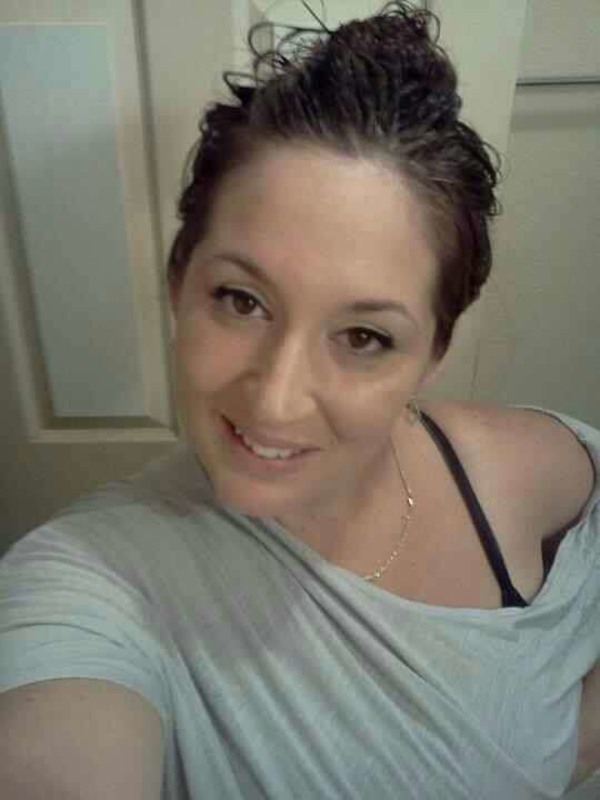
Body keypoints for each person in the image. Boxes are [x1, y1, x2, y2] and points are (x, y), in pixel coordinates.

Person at [1, 2, 599, 797]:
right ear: (180, 284)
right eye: (242, 300)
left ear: (433, 356)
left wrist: (565, 746)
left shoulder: (498, 471)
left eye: (364, 337)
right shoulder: (90, 582)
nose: (277, 400)